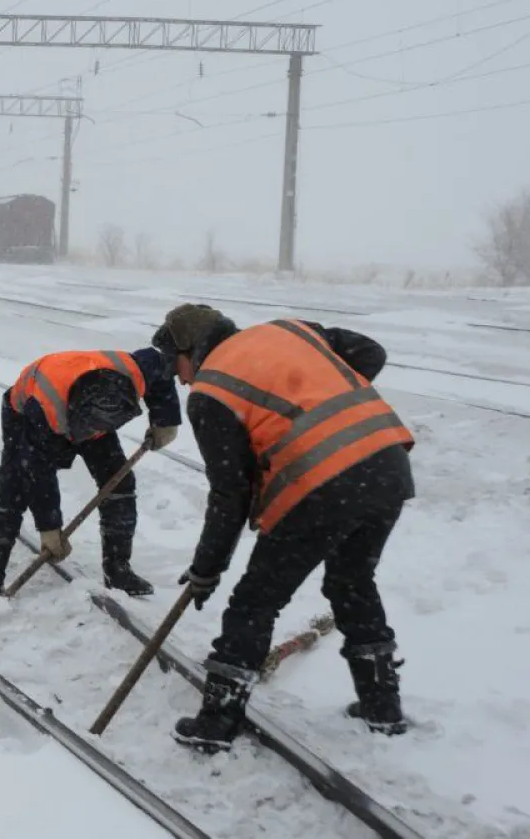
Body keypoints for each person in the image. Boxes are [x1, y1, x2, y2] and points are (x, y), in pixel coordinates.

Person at [152, 303, 415, 752]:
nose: (179, 380)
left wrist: (206, 570)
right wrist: (323, 405)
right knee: (351, 581)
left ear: (190, 350)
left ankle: (218, 722)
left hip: (319, 484)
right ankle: (382, 706)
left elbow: (229, 495)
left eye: (174, 365)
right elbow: (370, 353)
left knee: (255, 602)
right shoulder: (293, 331)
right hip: (385, 464)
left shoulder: (211, 390)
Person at [0, 346, 182, 598]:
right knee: (13, 491)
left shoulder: (133, 373)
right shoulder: (42, 409)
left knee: (119, 482)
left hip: (89, 412)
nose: (84, 439)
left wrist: (166, 421)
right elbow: (38, 473)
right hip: (27, 416)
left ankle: (117, 570)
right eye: (85, 430)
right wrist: (49, 527)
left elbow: (161, 367)